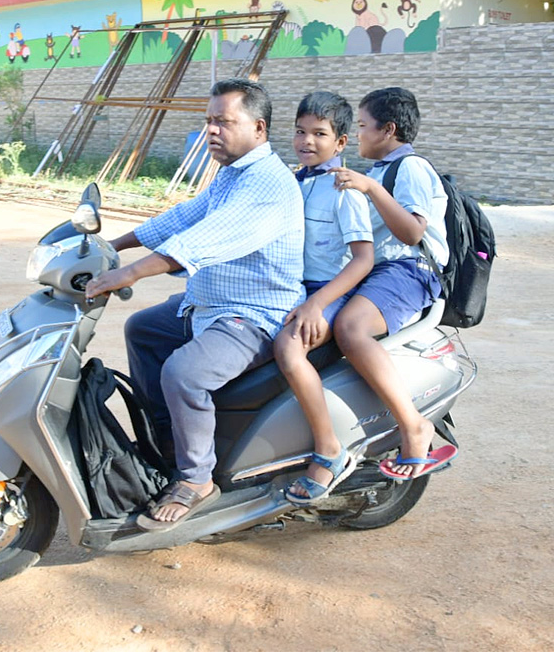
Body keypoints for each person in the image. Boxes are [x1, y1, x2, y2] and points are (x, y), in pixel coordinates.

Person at [85, 78, 304, 531]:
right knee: (143, 330)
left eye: (224, 122)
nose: (212, 131)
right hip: (208, 303)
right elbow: (185, 217)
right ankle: (166, 444)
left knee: (184, 373)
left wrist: (126, 274)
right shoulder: (232, 173)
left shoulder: (266, 184)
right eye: (208, 121)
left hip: (253, 314)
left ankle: (196, 479)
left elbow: (201, 240)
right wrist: (113, 245)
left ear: (259, 128)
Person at [329, 87, 456, 481]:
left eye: (364, 126)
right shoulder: (380, 171)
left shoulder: (411, 168)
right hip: (380, 269)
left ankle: (414, 426)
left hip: (410, 271)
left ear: (388, 130)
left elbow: (411, 232)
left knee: (351, 327)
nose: (359, 134)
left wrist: (371, 189)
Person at [273, 91, 374, 504]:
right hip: (289, 286)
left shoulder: (343, 189)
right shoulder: (293, 181)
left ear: (342, 142)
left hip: (326, 291)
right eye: (300, 131)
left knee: (289, 346)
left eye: (319, 134)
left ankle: (329, 449)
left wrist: (316, 304)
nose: (306, 141)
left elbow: (363, 259)